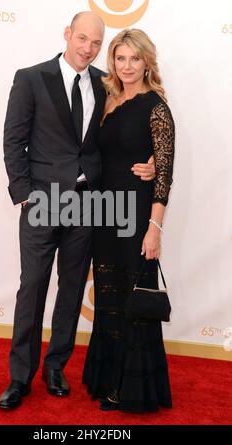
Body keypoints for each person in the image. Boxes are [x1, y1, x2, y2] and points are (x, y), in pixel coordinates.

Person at [0, 12, 155, 410]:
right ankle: (20, 377)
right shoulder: (32, 77)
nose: (88, 48)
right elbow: (13, 139)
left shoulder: (107, 84)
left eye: (96, 43)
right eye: (82, 38)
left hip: (87, 204)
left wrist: (151, 163)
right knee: (31, 288)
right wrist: (24, 194)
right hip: (41, 202)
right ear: (68, 34)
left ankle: (55, 368)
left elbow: (125, 134)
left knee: (70, 291)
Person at [83, 28, 175, 413]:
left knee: (132, 296)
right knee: (107, 295)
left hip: (136, 216)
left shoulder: (156, 107)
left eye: (134, 58)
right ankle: (108, 379)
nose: (127, 66)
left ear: (146, 61)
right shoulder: (107, 98)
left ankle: (130, 388)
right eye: (120, 58)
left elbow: (165, 173)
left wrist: (154, 229)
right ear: (113, 62)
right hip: (104, 212)